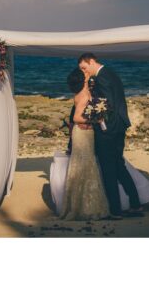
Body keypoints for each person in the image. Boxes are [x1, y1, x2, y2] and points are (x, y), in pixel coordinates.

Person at [79, 54, 142, 219]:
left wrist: (99, 123)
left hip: (109, 130)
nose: (84, 72)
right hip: (119, 127)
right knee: (119, 166)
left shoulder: (102, 78)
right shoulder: (111, 73)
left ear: (91, 61)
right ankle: (135, 205)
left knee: (108, 169)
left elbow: (107, 105)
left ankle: (115, 211)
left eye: (84, 68)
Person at [60, 68, 110, 220]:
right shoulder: (82, 94)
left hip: (87, 133)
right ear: (82, 79)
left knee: (88, 166)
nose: (88, 74)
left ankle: (86, 206)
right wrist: (95, 119)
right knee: (83, 166)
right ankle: (81, 208)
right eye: (85, 74)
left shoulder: (86, 90)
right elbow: (76, 118)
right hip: (82, 134)